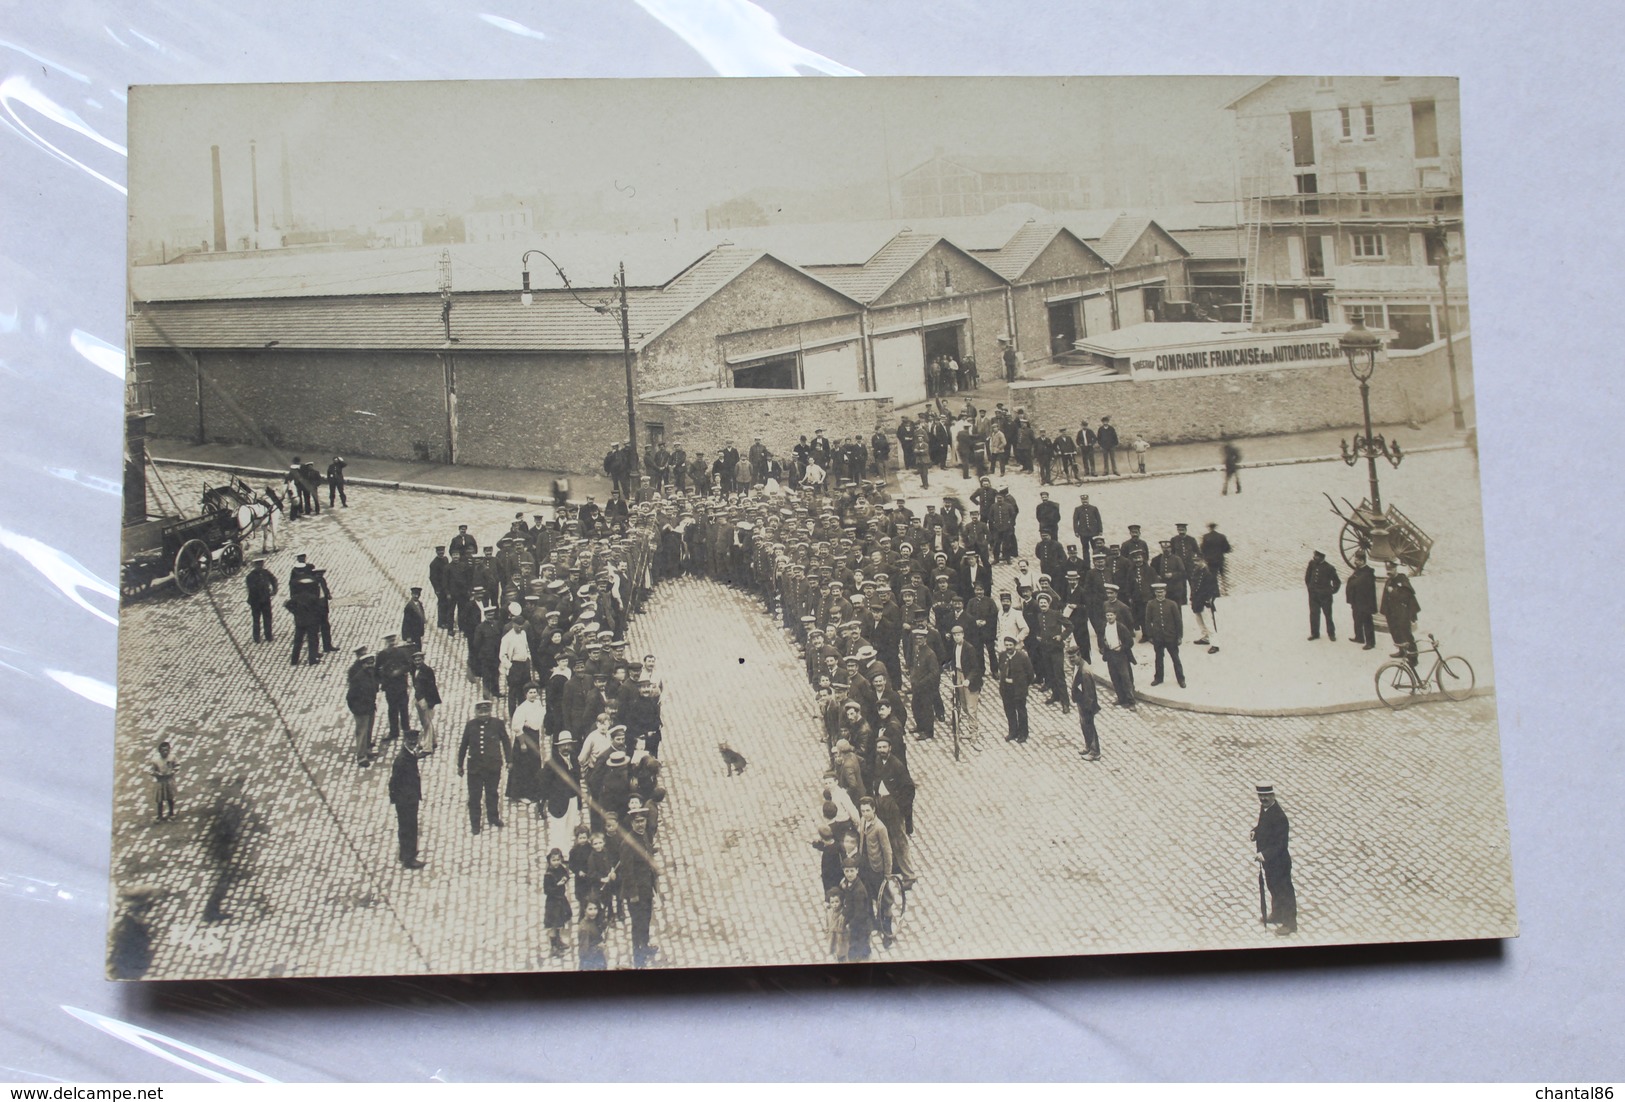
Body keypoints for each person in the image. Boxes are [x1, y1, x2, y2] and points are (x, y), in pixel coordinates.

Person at [457, 699, 510, 835]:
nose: (483, 715)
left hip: (493, 767)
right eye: (480, 712)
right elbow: (464, 745)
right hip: (475, 769)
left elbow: (506, 741)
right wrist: (460, 765)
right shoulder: (470, 726)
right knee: (475, 797)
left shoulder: (497, 724)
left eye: (486, 712)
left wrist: (509, 760)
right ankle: (475, 824)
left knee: (492, 793)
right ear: (476, 712)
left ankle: (493, 817)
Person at [1251, 784, 1297, 935]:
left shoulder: (1279, 817)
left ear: (1273, 796)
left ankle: (1290, 924)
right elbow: (1263, 827)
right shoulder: (1265, 809)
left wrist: (1264, 854)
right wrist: (1255, 832)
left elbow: (1280, 844)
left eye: (1266, 796)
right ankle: (1277, 914)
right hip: (1270, 863)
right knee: (1273, 888)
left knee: (1284, 892)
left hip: (1280, 862)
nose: (1263, 799)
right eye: (1261, 796)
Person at [388, 732, 425, 869]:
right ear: (405, 741)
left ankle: (405, 854)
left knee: (407, 827)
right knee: (409, 828)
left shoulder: (409, 754)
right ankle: (409, 858)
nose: (414, 744)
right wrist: (397, 798)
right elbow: (394, 781)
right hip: (406, 800)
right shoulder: (402, 759)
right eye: (411, 742)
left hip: (409, 797)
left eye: (415, 742)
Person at [1143, 581, 1186, 689]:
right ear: (1155, 593)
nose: (1159, 594)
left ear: (1165, 592)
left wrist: (1179, 636)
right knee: (1158, 658)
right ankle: (1158, 678)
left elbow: (1178, 621)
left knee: (1175, 658)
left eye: (1161, 592)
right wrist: (1150, 636)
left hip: (1171, 637)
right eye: (1157, 592)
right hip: (1158, 637)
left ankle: (1181, 679)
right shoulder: (1151, 604)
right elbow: (1147, 621)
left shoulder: (1172, 604)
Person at [1380, 565, 1422, 667]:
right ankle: (1402, 651)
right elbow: (1385, 597)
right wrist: (1384, 611)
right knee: (1395, 632)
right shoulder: (1389, 581)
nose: (1389, 571)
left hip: (1402, 613)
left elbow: (1406, 596)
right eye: (1387, 569)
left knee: (1406, 634)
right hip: (1392, 613)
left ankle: (1413, 658)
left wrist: (1393, 592)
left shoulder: (1402, 580)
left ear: (1395, 569)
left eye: (1391, 569)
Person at [996, 634, 1035, 743]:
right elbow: (1001, 668)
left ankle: (1023, 734)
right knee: (1009, 711)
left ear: (1015, 645)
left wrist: (1021, 685)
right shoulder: (1002, 656)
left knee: (1021, 711)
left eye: (1010, 645)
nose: (1008, 647)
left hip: (1018, 690)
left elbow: (1030, 675)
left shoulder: (1022, 657)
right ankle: (1013, 732)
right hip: (1006, 689)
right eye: (1006, 645)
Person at [345, 646, 379, 766]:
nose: (370, 666)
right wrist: (356, 709)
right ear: (363, 664)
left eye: (371, 663)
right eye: (368, 664)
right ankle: (361, 756)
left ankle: (367, 750)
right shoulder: (358, 678)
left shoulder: (370, 674)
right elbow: (350, 697)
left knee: (369, 730)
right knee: (362, 732)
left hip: (370, 707)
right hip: (361, 709)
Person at [1099, 606, 1136, 707]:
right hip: (1110, 655)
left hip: (1121, 655)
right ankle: (1121, 699)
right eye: (1107, 615)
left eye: (1111, 615)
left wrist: (1121, 648)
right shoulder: (1104, 626)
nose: (1109, 617)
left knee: (1125, 678)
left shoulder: (1121, 627)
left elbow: (1130, 642)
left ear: (1115, 616)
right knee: (1115, 678)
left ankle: (1131, 701)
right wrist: (1103, 647)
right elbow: (1101, 638)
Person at [1069, 650, 1102, 760]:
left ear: (1079, 655)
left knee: (1089, 726)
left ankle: (1095, 752)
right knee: (1084, 725)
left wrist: (1088, 707)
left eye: (1073, 657)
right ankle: (1088, 746)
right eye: (1069, 658)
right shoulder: (1078, 666)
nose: (1071, 660)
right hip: (1081, 701)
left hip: (1086, 704)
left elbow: (1089, 692)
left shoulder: (1084, 672)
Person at [1304, 550, 1342, 641]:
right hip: (1313, 595)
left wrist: (1331, 591)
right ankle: (1315, 633)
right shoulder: (1312, 564)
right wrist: (1310, 588)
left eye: (1317, 556)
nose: (1314, 557)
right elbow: (1307, 577)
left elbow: (1337, 582)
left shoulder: (1329, 568)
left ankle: (1331, 633)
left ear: (1322, 557)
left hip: (1325, 596)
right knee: (1314, 614)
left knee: (1328, 615)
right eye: (1314, 555)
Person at [542, 849, 573, 958]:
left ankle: (559, 941)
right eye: (553, 860)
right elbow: (547, 890)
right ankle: (553, 946)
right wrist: (557, 885)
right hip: (553, 902)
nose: (556, 862)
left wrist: (565, 878)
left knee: (560, 923)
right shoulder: (548, 875)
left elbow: (566, 874)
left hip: (561, 899)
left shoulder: (560, 868)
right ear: (549, 861)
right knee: (553, 925)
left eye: (558, 860)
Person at [1346, 551, 1379, 649]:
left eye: (1357, 560)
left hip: (1365, 603)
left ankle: (1370, 643)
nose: (1355, 561)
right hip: (1356, 601)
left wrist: (1352, 582)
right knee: (1357, 619)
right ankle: (1359, 637)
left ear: (1362, 561)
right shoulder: (1359, 570)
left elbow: (1357, 583)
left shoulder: (1368, 573)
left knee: (1367, 622)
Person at [411, 650, 441, 755]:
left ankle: (428, 748)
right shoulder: (415, 670)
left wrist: (429, 702)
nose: (417, 662)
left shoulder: (427, 671)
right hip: (419, 699)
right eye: (416, 660)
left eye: (419, 660)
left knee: (427, 723)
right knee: (426, 722)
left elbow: (431, 687)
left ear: (423, 660)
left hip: (426, 700)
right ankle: (433, 741)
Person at [244, 558, 278, 644]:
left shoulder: (265, 572)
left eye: (261, 564)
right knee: (256, 619)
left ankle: (268, 635)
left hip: (265, 600)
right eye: (258, 565)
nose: (260, 566)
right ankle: (256, 637)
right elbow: (252, 589)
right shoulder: (250, 576)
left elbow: (273, 580)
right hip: (255, 601)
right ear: (254, 566)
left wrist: (274, 589)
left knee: (267, 618)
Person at [148, 739, 178, 821]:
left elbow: (177, 766)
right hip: (160, 782)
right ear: (159, 751)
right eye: (163, 750)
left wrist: (172, 772)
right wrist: (157, 774)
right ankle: (159, 815)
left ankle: (171, 813)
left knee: (170, 798)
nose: (165, 752)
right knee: (160, 800)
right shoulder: (155, 760)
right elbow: (151, 771)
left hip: (169, 781)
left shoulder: (172, 757)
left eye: (167, 750)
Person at [1201, 522, 1232, 595]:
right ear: (1215, 527)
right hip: (1220, 559)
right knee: (1223, 575)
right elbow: (1227, 548)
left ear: (1209, 528)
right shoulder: (1221, 536)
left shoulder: (1206, 537)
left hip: (1210, 560)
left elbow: (1202, 549)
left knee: (1213, 577)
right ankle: (1226, 591)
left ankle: (1216, 592)